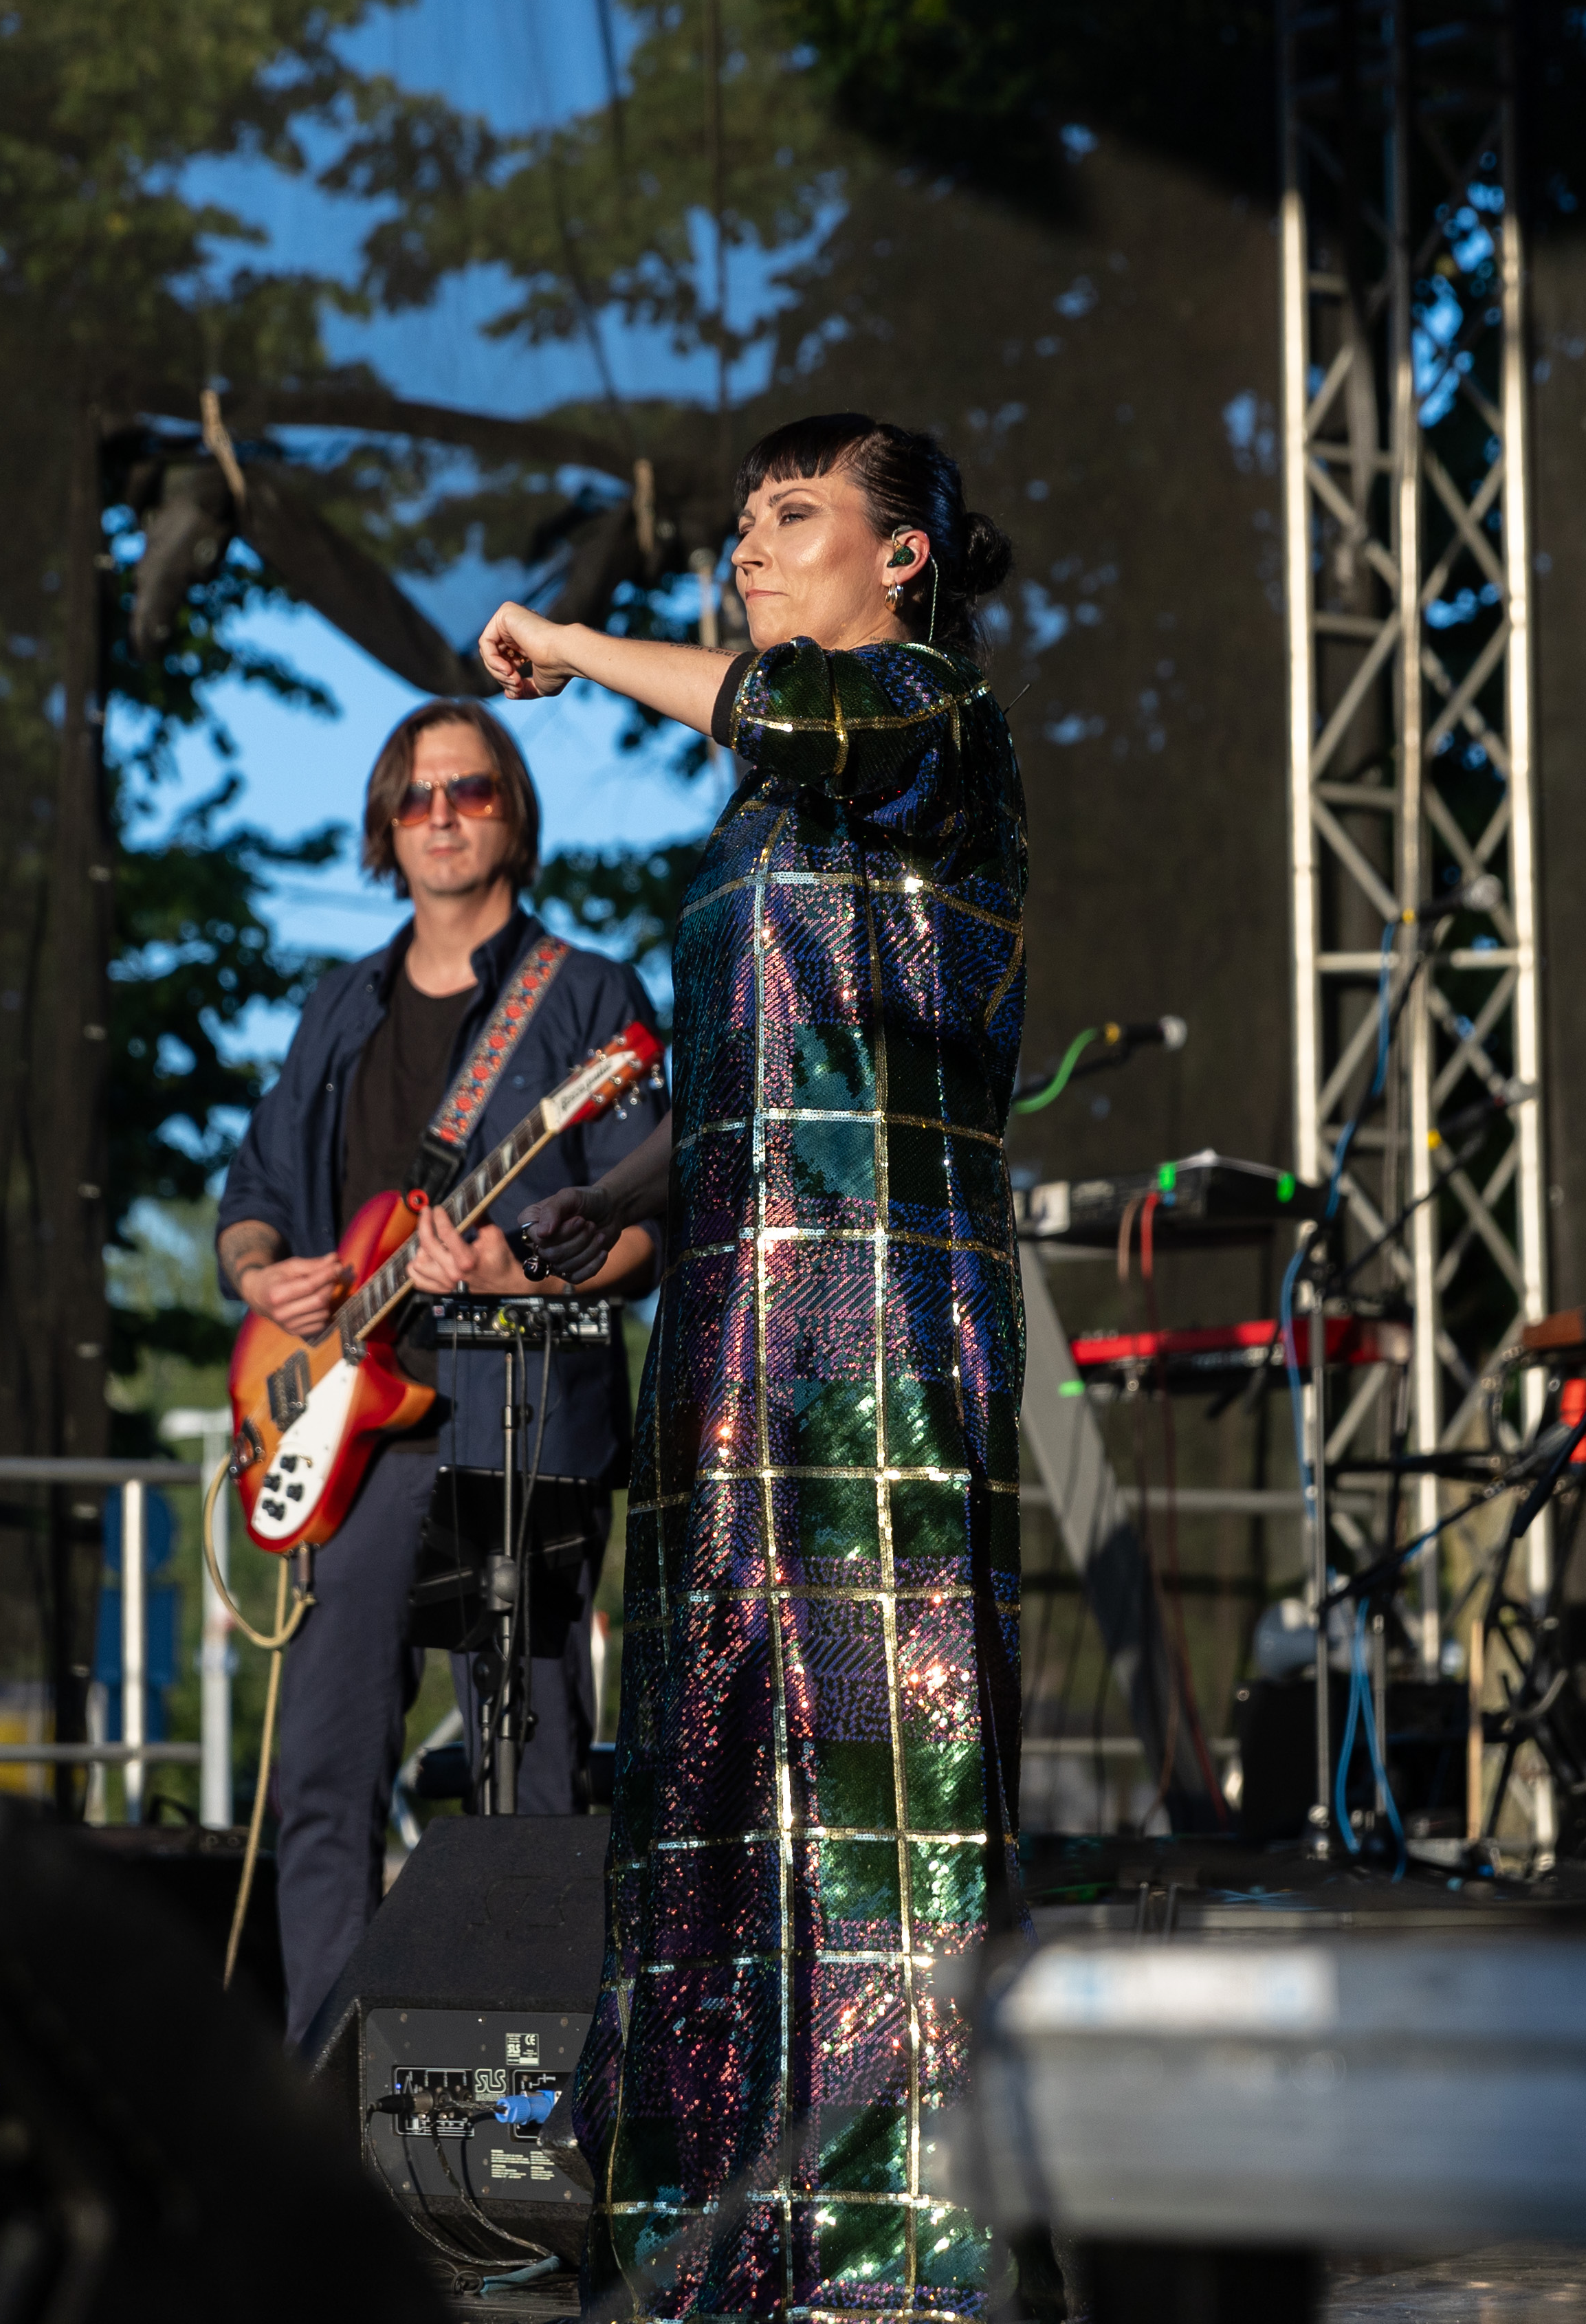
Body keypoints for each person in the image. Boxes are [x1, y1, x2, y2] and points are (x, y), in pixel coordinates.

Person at [485, 412, 1029, 2321]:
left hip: (877, 1331)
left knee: (880, 1782)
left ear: (904, 557)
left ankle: (902, 2252)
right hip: (731, 1340)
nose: (750, 550)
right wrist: (621, 1199)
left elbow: (783, 708)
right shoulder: (752, 832)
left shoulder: (930, 716)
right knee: (719, 1779)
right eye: (741, 527)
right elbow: (752, 1073)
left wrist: (570, 646)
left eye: (795, 518)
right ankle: (725, 2234)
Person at [213, 700, 663, 2050]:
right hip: (349, 1439)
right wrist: (262, 1278)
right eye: (416, 797)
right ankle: (324, 2084)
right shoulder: (339, 1005)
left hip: (511, 1428)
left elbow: (647, 1231)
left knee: (522, 1779)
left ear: (513, 811)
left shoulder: (587, 1000)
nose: (443, 816)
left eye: (471, 789)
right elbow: (252, 1193)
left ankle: (521, 2095)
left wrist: (518, 1273)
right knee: (321, 1776)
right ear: (385, 829)